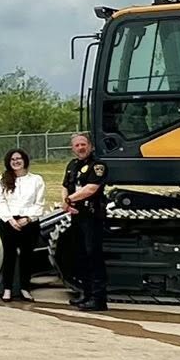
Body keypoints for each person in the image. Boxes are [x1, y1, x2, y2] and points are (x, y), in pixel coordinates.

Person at [0, 147, 47, 301]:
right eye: (12, 160)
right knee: (9, 256)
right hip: (9, 222)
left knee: (27, 256)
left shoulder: (36, 180)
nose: (16, 162)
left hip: (29, 222)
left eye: (18, 158)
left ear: (25, 160)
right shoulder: (3, 179)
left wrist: (27, 219)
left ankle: (25, 288)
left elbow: (39, 203)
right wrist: (11, 220)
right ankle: (7, 289)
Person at [61, 133, 110, 311]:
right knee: (80, 255)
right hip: (76, 216)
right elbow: (66, 185)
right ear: (72, 148)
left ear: (90, 146)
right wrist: (66, 203)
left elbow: (91, 188)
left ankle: (98, 299)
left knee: (93, 256)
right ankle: (86, 294)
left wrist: (69, 200)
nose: (80, 148)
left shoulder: (98, 166)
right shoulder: (73, 165)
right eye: (77, 145)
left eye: (83, 144)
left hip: (92, 216)